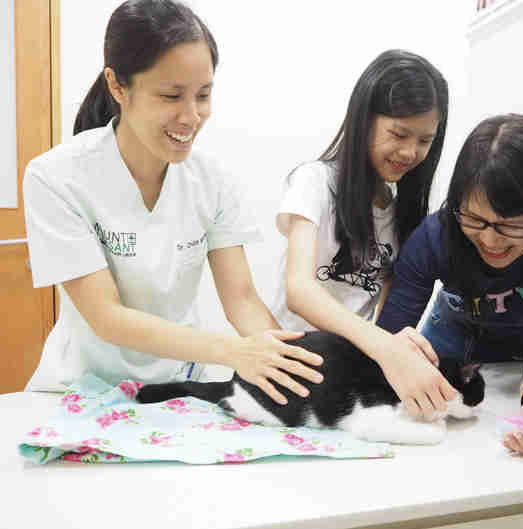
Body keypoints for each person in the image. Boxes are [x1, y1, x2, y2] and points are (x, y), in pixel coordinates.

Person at [23, 0, 324, 405]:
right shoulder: (57, 177)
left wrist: (287, 364)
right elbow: (106, 317)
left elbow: (242, 299)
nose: (191, 117)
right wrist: (232, 352)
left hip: (175, 391)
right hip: (78, 389)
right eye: (171, 96)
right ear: (117, 86)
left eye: (203, 95)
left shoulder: (213, 181)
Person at [377, 114, 523, 456]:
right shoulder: (436, 234)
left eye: (509, 225)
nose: (490, 240)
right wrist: (402, 366)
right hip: (450, 345)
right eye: (475, 219)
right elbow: (391, 335)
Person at [270, 49, 459, 420]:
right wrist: (383, 347)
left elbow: (388, 307)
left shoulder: (403, 210)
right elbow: (299, 290)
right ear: (363, 119)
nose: (410, 152)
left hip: (348, 371)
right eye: (399, 134)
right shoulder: (315, 182)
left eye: (424, 141)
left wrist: (394, 350)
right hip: (292, 366)